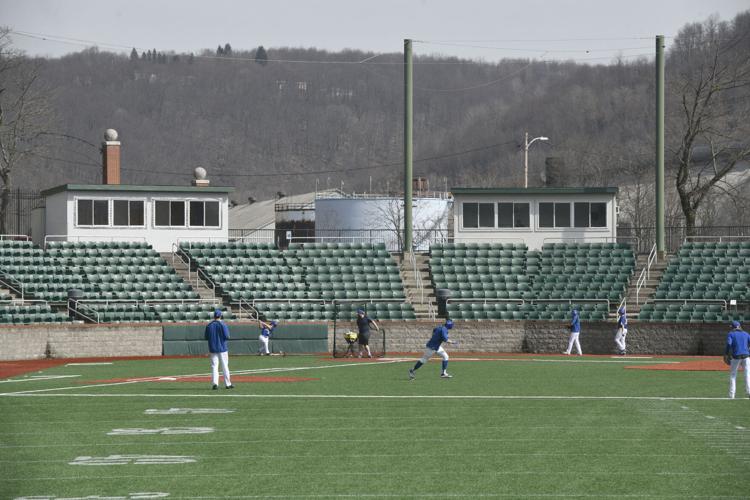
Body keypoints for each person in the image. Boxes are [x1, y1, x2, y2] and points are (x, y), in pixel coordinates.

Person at [204, 309, 233, 390]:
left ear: (214, 316)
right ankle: (228, 384)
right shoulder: (223, 324)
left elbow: (206, 337)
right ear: (220, 316)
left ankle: (215, 384)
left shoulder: (209, 325)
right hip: (222, 348)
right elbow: (227, 336)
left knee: (214, 366)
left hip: (212, 348)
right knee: (225, 366)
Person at [725, 320, 750, 399]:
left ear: (733, 327)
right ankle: (749, 392)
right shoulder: (746, 334)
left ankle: (732, 395)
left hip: (736, 357)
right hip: (746, 356)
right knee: (747, 375)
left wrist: (726, 354)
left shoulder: (731, 334)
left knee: (733, 375)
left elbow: (729, 344)